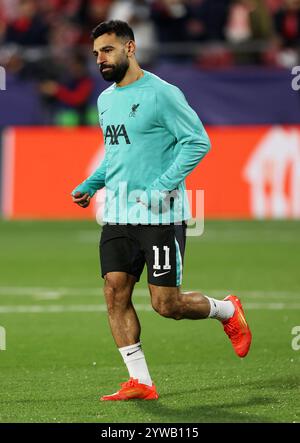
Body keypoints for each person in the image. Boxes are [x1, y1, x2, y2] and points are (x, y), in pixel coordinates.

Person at [72, 20, 252, 401]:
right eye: (95, 54)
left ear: (130, 48)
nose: (100, 60)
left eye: (107, 50)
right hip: (118, 215)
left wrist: (160, 187)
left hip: (159, 216)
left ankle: (226, 310)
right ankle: (141, 381)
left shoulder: (162, 94)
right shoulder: (105, 100)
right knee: (114, 292)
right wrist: (92, 183)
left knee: (166, 305)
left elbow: (197, 142)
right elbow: (117, 156)